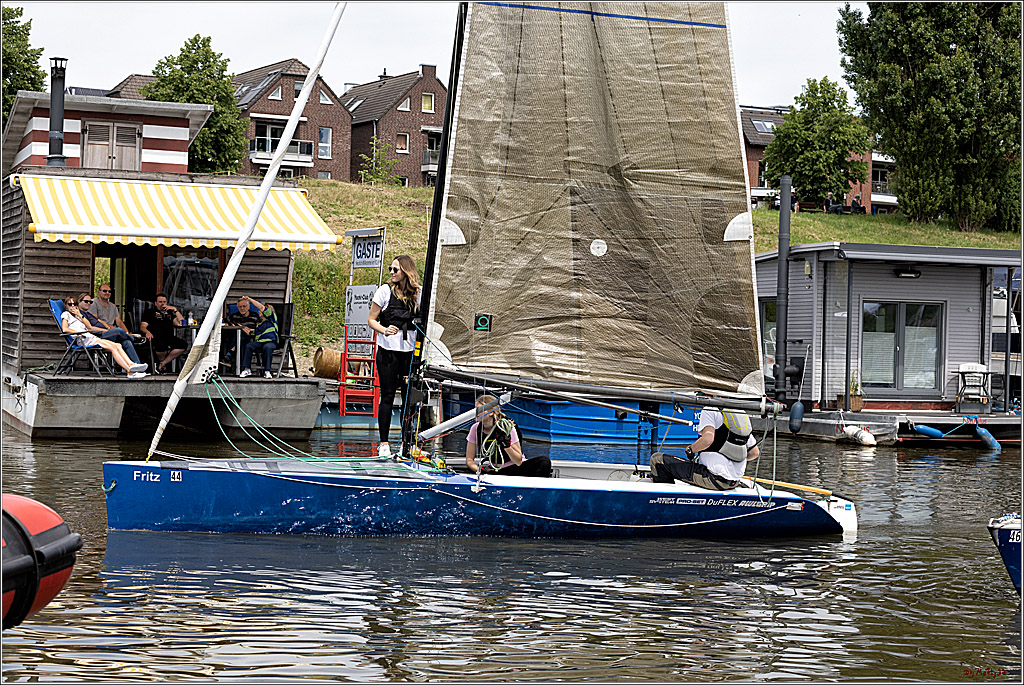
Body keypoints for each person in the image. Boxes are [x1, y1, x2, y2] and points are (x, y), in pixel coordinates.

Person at [367, 255, 421, 458]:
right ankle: (384, 443)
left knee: (408, 399)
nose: (391, 272)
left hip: (409, 352)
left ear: (406, 272)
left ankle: (407, 443)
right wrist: (384, 330)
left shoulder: (418, 294)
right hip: (388, 351)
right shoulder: (384, 290)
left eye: (395, 270)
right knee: (388, 395)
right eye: (390, 269)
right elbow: (371, 319)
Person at [649, 407, 759, 491]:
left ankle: (666, 501)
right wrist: (732, 461)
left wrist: (691, 450)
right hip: (734, 482)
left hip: (712, 479)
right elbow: (754, 452)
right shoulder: (740, 414)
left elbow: (707, 440)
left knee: (657, 460)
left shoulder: (710, 409)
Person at [465, 395, 552, 477]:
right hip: (494, 469)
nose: (476, 413)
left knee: (544, 462)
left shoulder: (507, 427)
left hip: (514, 467)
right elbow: (469, 460)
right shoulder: (475, 428)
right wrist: (480, 470)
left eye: (480, 410)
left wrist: (506, 445)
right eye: (475, 409)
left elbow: (518, 461)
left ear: (491, 413)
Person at [60, 297, 147, 378]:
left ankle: (132, 365)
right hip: (83, 339)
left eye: (74, 304)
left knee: (118, 345)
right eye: (70, 304)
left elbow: (88, 326)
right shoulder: (66, 314)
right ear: (66, 306)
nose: (72, 306)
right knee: (113, 347)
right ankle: (130, 371)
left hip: (91, 338)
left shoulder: (77, 316)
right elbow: (65, 329)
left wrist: (79, 314)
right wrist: (81, 333)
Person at [77, 292, 141, 364]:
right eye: (86, 301)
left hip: (104, 333)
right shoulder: (79, 314)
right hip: (97, 337)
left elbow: (99, 321)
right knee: (118, 330)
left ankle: (136, 365)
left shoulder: (88, 313)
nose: (88, 303)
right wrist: (105, 330)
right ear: (79, 301)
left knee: (126, 342)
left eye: (90, 302)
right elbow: (89, 328)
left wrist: (107, 327)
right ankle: (133, 338)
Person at [140, 293, 187, 374]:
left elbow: (182, 323)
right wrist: (147, 332)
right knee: (161, 345)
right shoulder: (150, 312)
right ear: (156, 303)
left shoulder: (169, 313)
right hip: (155, 336)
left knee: (183, 345)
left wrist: (175, 310)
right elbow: (142, 327)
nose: (163, 304)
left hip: (169, 337)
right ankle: (162, 366)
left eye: (164, 302)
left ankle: (163, 363)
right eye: (160, 302)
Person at [238, 297, 278, 378]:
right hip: (260, 342)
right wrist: (244, 329)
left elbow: (261, 307)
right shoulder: (259, 323)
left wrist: (249, 299)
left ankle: (267, 371)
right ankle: (247, 369)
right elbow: (254, 333)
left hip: (270, 342)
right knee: (249, 346)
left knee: (267, 347)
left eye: (260, 311)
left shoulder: (271, 318)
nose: (259, 311)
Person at [223, 295, 260, 365]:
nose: (242, 308)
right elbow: (227, 322)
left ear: (248, 307)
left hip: (250, 338)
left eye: (244, 306)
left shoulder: (255, 316)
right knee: (239, 338)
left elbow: (259, 328)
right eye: (240, 307)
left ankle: (230, 352)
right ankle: (241, 366)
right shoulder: (233, 316)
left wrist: (249, 330)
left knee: (241, 337)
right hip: (238, 338)